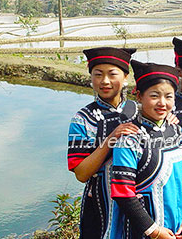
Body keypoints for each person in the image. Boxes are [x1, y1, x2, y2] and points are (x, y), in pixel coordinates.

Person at [109, 60, 182, 239]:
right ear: (139, 96)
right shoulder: (129, 139)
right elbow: (123, 192)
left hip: (179, 229)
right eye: (154, 95)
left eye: (168, 96)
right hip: (144, 231)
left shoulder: (178, 132)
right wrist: (154, 230)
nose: (162, 103)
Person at [67, 47, 140, 239]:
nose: (105, 81)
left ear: (125, 77)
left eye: (112, 74)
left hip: (137, 201)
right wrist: (110, 140)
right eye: (98, 75)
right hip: (99, 204)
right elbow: (81, 174)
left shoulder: (139, 111)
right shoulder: (82, 119)